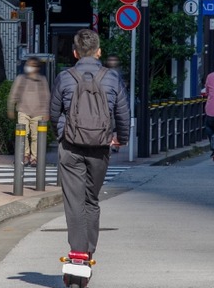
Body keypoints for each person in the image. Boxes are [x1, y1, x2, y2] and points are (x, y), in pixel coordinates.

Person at [50, 29, 130, 258]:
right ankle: (88, 252)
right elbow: (123, 113)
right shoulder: (111, 77)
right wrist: (120, 139)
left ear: (75, 53)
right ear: (99, 52)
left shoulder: (65, 77)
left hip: (70, 146)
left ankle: (77, 251)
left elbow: (54, 112)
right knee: (91, 200)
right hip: (100, 147)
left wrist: (61, 134)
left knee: (74, 201)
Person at [7, 56, 50, 167]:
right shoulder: (21, 78)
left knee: (36, 136)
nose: (29, 67)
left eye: (32, 65)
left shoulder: (42, 80)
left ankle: (34, 157)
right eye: (28, 64)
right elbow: (13, 94)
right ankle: (24, 155)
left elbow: (46, 97)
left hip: (38, 113)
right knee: (23, 134)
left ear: (36, 67)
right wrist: (11, 108)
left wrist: (46, 112)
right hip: (23, 110)